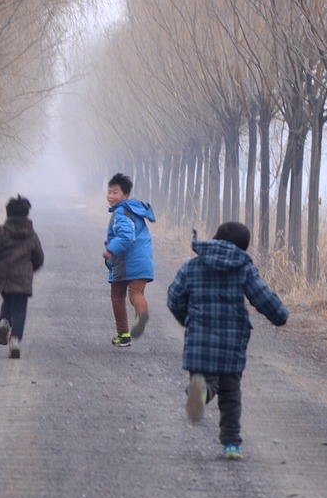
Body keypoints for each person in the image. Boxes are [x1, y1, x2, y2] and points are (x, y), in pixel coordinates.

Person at [166, 221, 288, 460]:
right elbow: (263, 298)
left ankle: (200, 393)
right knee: (231, 394)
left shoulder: (192, 266)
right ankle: (231, 444)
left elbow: (174, 298)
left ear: (213, 236)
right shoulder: (244, 269)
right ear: (243, 249)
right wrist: (280, 315)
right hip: (232, 344)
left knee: (205, 380)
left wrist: (187, 320)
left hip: (199, 343)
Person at [0, 195, 45, 359]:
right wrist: (33, 267)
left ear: (7, 213)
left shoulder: (1, 231)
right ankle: (15, 340)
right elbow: (39, 257)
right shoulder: (31, 235)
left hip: (3, 275)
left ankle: (4, 322)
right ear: (27, 214)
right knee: (20, 309)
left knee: (7, 300)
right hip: (22, 278)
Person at [103, 172, 156, 347]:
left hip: (126, 262)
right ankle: (141, 313)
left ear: (125, 195)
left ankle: (123, 334)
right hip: (144, 260)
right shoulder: (134, 210)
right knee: (136, 293)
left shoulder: (121, 212)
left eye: (115, 192)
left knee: (117, 295)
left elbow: (126, 236)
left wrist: (111, 249)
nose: (111, 196)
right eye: (109, 192)